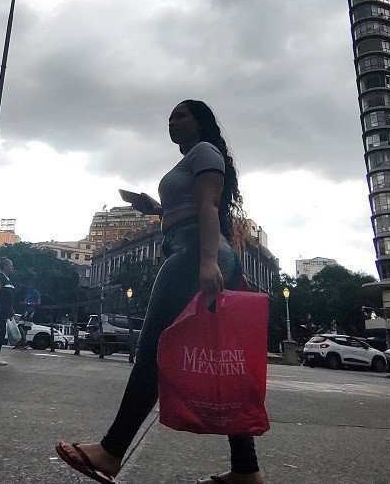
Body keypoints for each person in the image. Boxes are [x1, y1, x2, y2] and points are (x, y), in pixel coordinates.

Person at [57, 100, 261, 484]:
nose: (172, 121)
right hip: (198, 248)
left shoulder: (205, 151)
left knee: (154, 351)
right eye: (169, 116)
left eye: (181, 115)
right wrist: (153, 208)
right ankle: (246, 471)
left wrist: (206, 261)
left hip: (193, 251)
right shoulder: (196, 159)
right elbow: (190, 207)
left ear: (200, 123)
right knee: (227, 364)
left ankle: (112, 450)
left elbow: (209, 206)